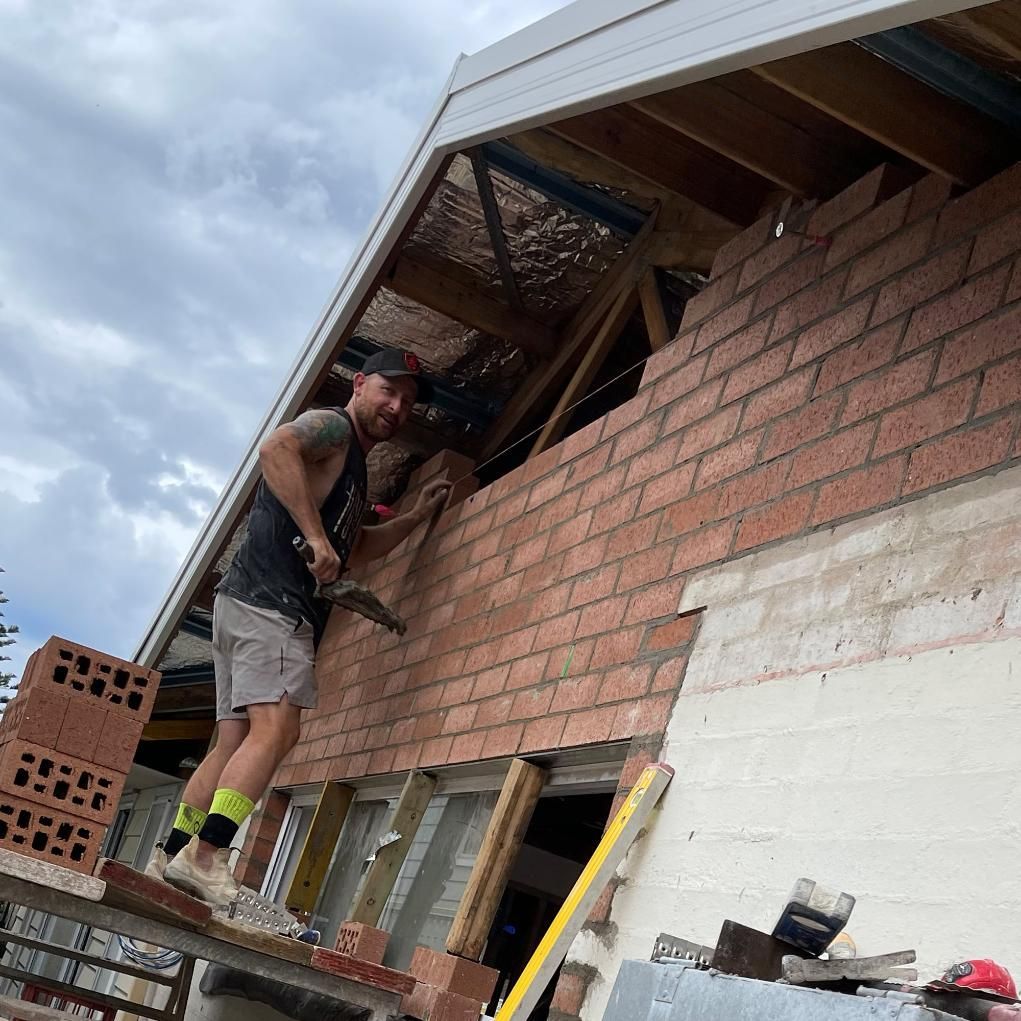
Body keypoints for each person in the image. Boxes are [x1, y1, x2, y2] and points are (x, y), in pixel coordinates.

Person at [147, 349, 450, 906]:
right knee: (278, 731)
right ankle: (206, 857)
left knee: (234, 740)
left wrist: (416, 517)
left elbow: (357, 545)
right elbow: (275, 447)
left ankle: (171, 853)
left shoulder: (351, 470)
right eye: (388, 391)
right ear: (359, 384)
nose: (397, 406)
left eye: (407, 401)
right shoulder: (332, 428)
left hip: (242, 603)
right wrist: (313, 536)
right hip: (273, 606)